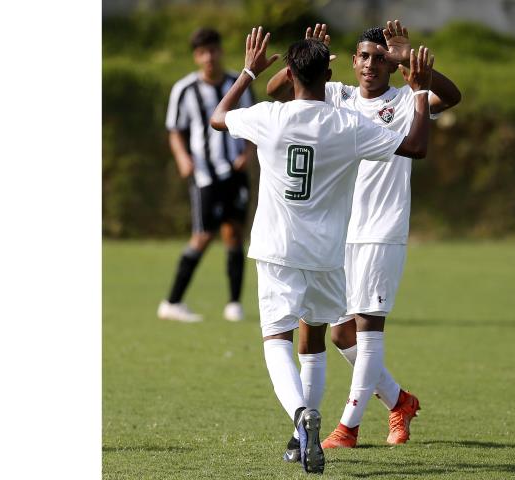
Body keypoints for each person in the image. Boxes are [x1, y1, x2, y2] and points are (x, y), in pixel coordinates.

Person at [210, 26, 434, 473]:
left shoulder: (270, 117)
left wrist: (249, 72)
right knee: (317, 334)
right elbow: (415, 146)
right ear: (330, 74)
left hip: (277, 249)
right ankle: (307, 434)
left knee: (279, 339)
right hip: (329, 255)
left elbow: (219, 117)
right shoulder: (349, 125)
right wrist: (421, 92)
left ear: (291, 74)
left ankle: (301, 416)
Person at [266, 21, 461, 449]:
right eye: (364, 57)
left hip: (380, 230)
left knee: (369, 329)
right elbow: (278, 91)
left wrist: (413, 63)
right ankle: (399, 401)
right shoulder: (338, 96)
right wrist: (306, 52)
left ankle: (347, 429)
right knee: (339, 333)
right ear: (352, 62)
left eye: (380, 58)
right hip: (335, 233)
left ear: (391, 65)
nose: (371, 64)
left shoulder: (408, 99)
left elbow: (451, 97)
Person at [157, 27, 256, 323]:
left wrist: (248, 153)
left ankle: (234, 304)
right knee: (202, 236)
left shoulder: (238, 84)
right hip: (205, 176)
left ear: (220, 51)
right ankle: (172, 302)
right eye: (202, 52)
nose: (209, 57)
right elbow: (175, 130)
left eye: (213, 50)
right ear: (196, 57)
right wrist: (182, 158)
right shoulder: (184, 89)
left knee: (234, 233)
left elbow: (254, 122)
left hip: (235, 171)